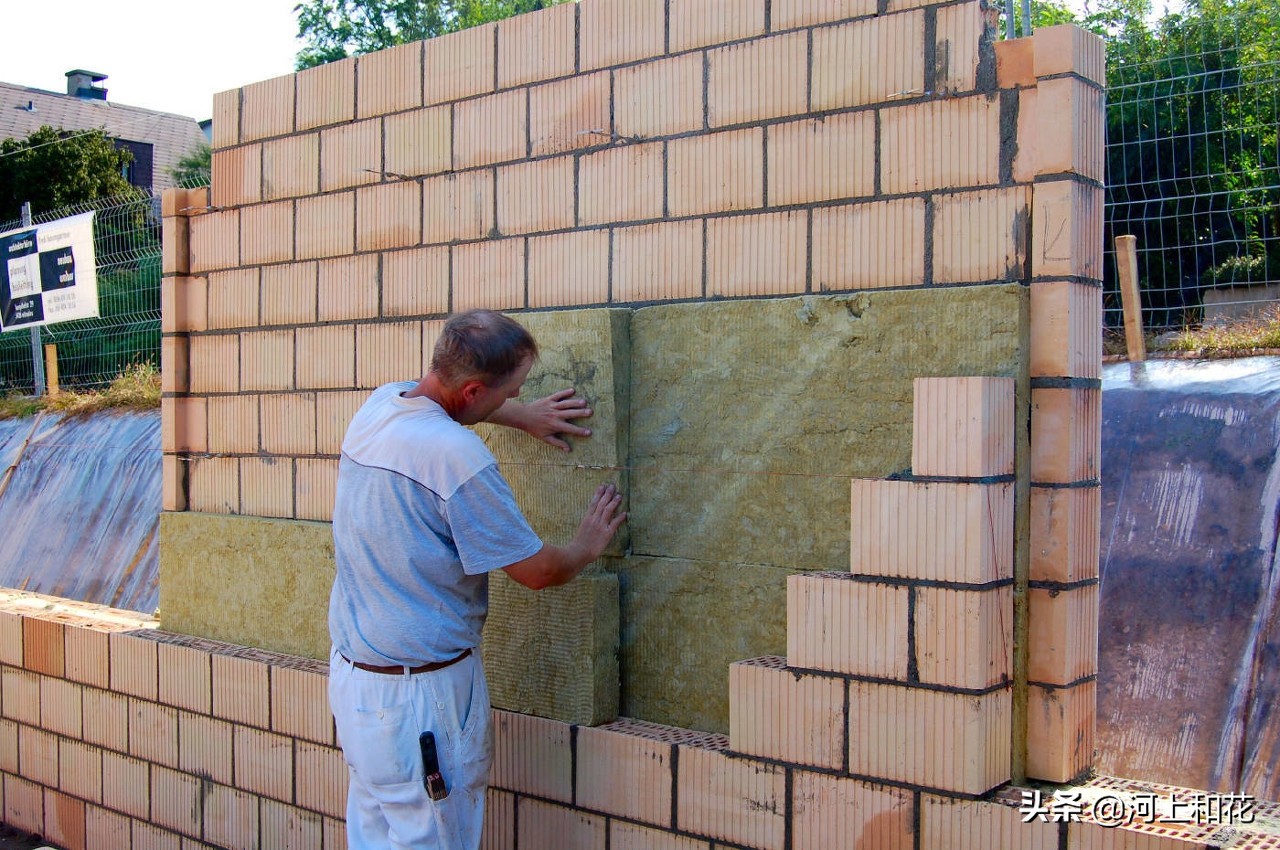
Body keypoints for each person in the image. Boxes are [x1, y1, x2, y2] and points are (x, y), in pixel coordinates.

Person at [327, 309, 626, 850]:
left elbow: (447, 412)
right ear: (472, 392)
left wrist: (521, 416)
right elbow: (536, 572)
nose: (516, 396)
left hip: (359, 690)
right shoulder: (459, 459)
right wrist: (585, 546)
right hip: (422, 702)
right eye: (510, 390)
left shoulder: (380, 408)